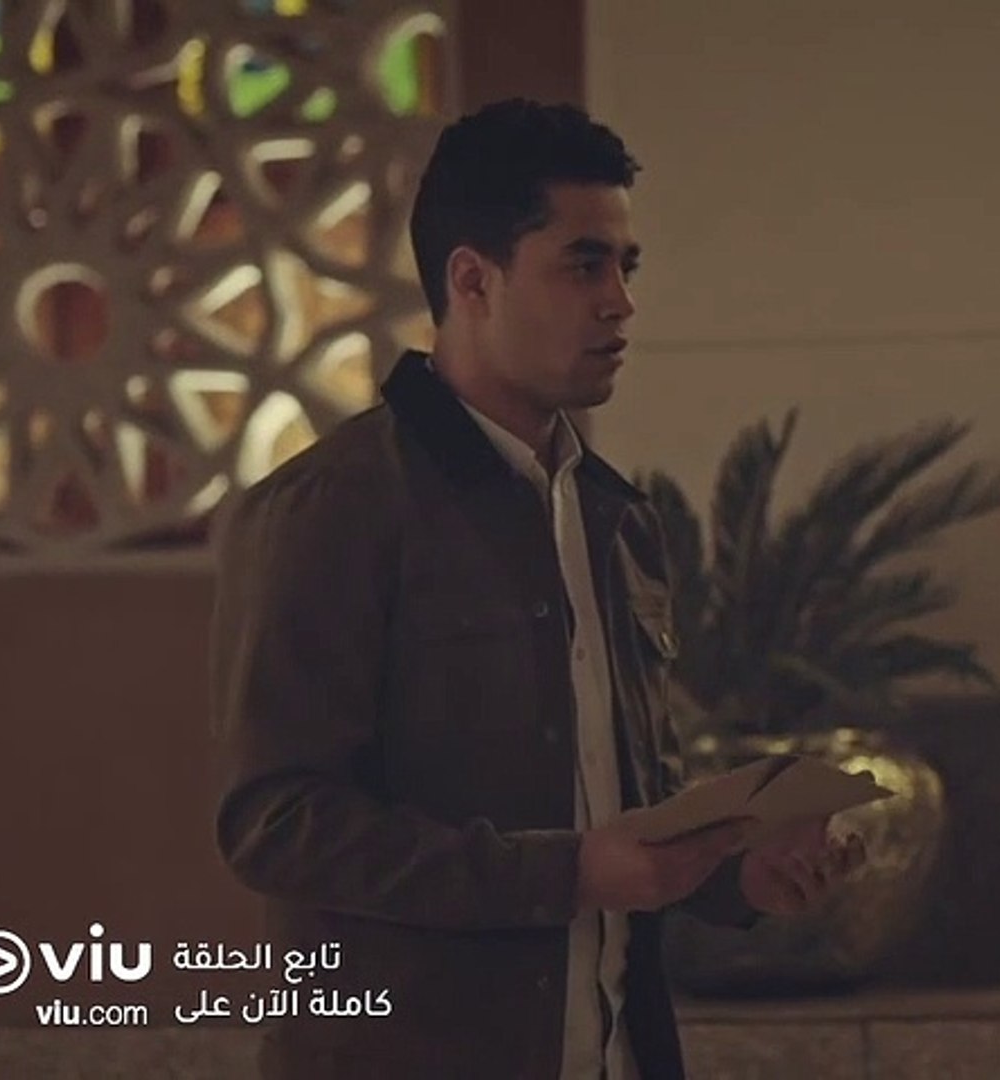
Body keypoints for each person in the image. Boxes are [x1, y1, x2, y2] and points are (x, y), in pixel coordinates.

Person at [210, 98, 863, 1080]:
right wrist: (567, 872)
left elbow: (621, 812)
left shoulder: (615, 518)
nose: (620, 302)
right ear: (473, 280)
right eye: (583, 265)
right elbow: (277, 825)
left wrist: (736, 874)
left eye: (627, 267)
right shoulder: (334, 507)